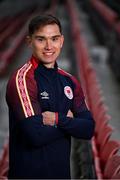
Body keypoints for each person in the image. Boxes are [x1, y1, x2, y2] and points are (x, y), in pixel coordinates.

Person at [6, 14, 95, 179]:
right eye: (41, 39)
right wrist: (71, 121)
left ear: (61, 41)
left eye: (54, 39)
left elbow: (88, 129)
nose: (49, 46)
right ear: (29, 41)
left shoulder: (70, 81)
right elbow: (36, 135)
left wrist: (56, 119)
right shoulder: (23, 79)